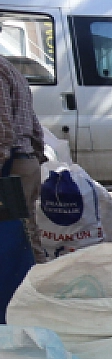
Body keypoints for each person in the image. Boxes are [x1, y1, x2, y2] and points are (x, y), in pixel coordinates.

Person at [0, 54, 44, 258]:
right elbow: (35, 127)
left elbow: (3, 130)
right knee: (27, 234)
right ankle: (35, 284)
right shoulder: (12, 69)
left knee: (13, 237)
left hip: (11, 164)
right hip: (26, 160)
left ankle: (21, 286)